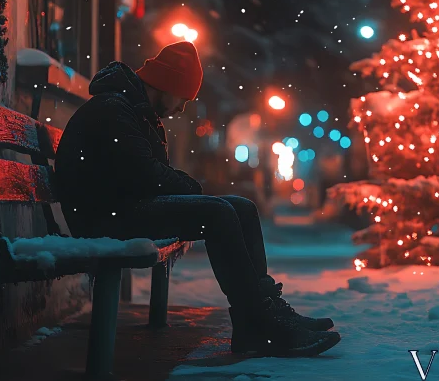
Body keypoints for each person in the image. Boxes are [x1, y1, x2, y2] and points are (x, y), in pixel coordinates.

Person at [54, 41, 341, 357]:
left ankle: (265, 312)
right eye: (183, 98)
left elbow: (146, 175)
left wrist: (185, 187)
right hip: (103, 218)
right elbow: (146, 175)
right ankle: (259, 324)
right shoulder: (115, 110)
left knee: (241, 207)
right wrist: (191, 186)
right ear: (166, 85)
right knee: (217, 213)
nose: (182, 108)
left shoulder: (134, 110)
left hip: (121, 207)